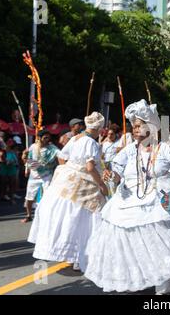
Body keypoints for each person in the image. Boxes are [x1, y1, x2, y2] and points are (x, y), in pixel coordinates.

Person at [82, 99, 170, 295]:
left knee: (162, 244)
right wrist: (111, 175)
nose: (135, 130)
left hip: (158, 199)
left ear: (151, 127)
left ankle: (164, 283)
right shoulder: (128, 150)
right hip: (129, 201)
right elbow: (117, 171)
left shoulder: (163, 148)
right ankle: (143, 276)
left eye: (139, 126)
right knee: (134, 245)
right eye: (133, 126)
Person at [28, 112, 108, 270]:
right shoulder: (90, 142)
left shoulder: (75, 138)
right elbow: (90, 167)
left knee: (70, 218)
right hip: (85, 183)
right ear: (98, 128)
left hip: (66, 181)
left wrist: (69, 169)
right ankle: (80, 256)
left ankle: (71, 256)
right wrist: (101, 184)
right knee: (88, 218)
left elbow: (62, 156)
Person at [21, 130, 60, 223]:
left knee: (47, 195)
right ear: (39, 138)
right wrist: (26, 164)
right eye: (45, 137)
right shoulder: (33, 147)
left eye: (48, 137)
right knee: (29, 196)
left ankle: (46, 216)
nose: (47, 139)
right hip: (34, 175)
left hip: (47, 175)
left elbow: (60, 154)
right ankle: (28, 215)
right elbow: (28, 159)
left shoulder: (52, 148)